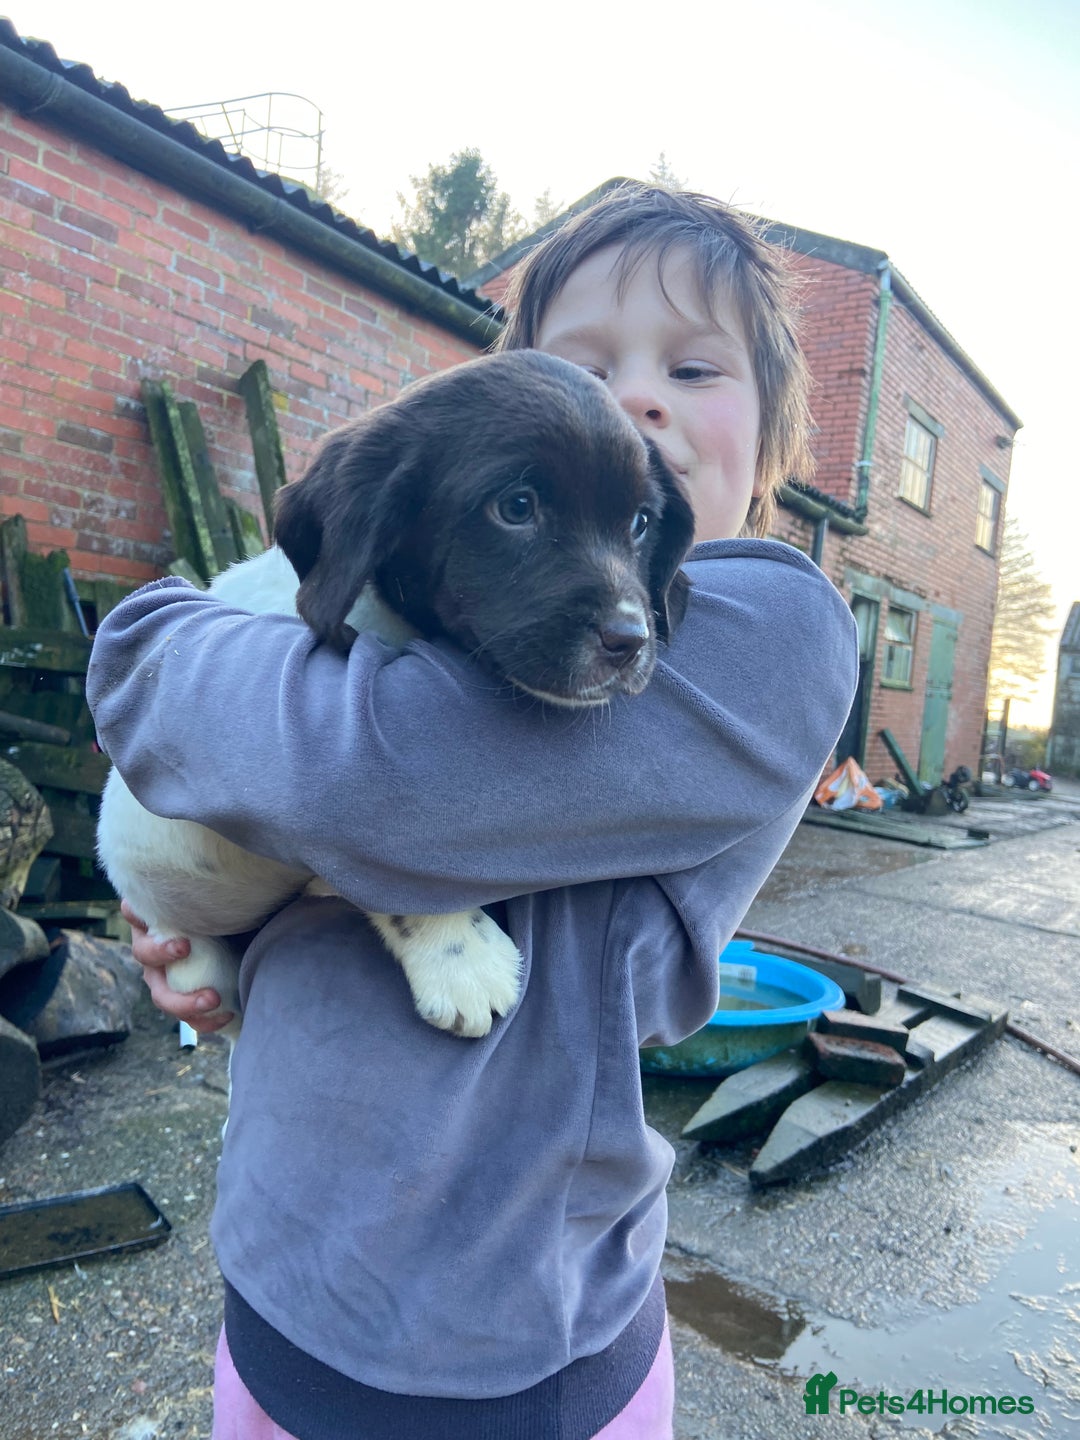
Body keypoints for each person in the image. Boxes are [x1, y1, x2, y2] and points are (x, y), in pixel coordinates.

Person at [88, 184, 858, 1440]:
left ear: (772, 451)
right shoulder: (463, 592)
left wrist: (168, 674)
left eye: (694, 365)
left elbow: (355, 778)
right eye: (585, 364)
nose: (636, 398)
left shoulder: (765, 635)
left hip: (520, 1354)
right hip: (281, 1291)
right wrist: (199, 904)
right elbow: (175, 701)